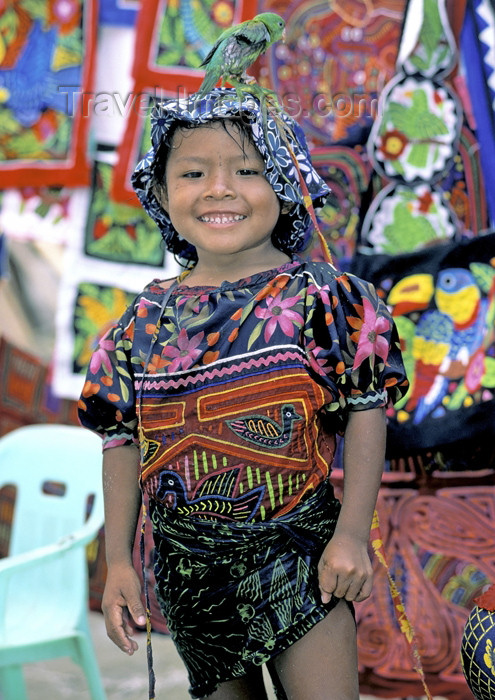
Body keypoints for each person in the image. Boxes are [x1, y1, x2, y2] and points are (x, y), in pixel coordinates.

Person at [78, 87, 409, 700]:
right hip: (190, 573)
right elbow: (120, 438)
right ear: (159, 191)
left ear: (285, 182)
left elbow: (367, 407)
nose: (219, 188)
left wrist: (353, 534)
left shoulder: (322, 299)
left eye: (247, 170)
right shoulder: (139, 325)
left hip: (300, 557)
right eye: (193, 172)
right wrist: (119, 562)